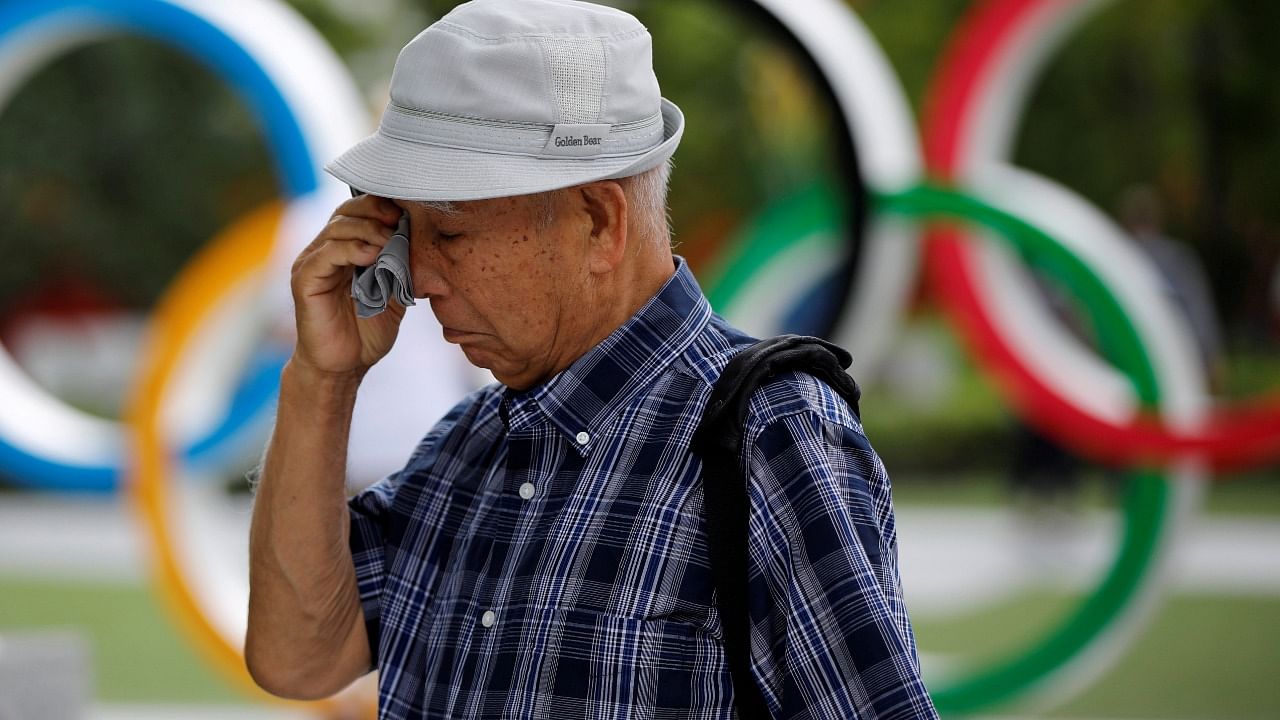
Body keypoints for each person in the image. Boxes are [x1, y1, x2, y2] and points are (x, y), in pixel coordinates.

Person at [245, 0, 936, 717]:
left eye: (448, 234)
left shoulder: (772, 434)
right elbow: (296, 658)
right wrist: (321, 379)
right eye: (405, 233)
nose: (415, 278)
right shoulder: (468, 447)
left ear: (599, 222)